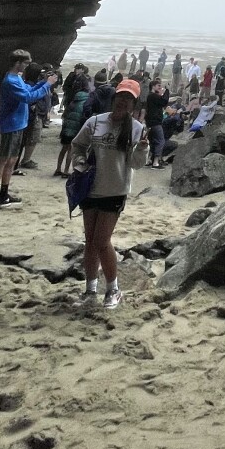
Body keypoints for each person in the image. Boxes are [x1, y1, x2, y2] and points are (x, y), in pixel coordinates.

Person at [70, 78, 148, 309]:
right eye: (121, 96)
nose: (123, 101)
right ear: (114, 98)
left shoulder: (136, 128)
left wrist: (143, 148)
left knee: (102, 241)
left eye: (128, 99)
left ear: (133, 105)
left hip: (115, 190)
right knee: (90, 242)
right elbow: (78, 145)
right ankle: (90, 290)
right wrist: (80, 163)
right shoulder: (95, 122)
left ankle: (113, 289)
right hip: (90, 189)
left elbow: (135, 164)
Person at [0, 51, 57, 207]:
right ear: (18, 62)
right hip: (12, 124)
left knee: (10, 160)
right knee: (4, 159)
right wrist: (47, 85)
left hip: (17, 123)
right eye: (26, 63)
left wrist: (43, 82)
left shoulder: (16, 77)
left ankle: (2, 194)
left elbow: (28, 91)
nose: (27, 66)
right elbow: (28, 98)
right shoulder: (11, 80)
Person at [16, 62, 53, 171]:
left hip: (34, 114)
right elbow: (34, 96)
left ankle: (18, 161)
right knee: (31, 138)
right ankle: (22, 161)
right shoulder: (30, 85)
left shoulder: (27, 83)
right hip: (34, 115)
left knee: (25, 139)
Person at [57, 75, 90, 176]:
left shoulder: (74, 98)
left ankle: (58, 168)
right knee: (71, 150)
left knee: (64, 148)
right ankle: (66, 170)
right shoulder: (86, 100)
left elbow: (65, 114)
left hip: (67, 127)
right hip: (76, 128)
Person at [144, 79, 169, 168]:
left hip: (150, 122)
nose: (160, 87)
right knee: (160, 141)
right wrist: (167, 91)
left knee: (151, 141)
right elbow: (164, 101)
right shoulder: (154, 96)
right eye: (158, 86)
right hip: (155, 122)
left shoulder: (150, 96)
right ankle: (155, 162)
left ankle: (149, 159)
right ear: (153, 86)